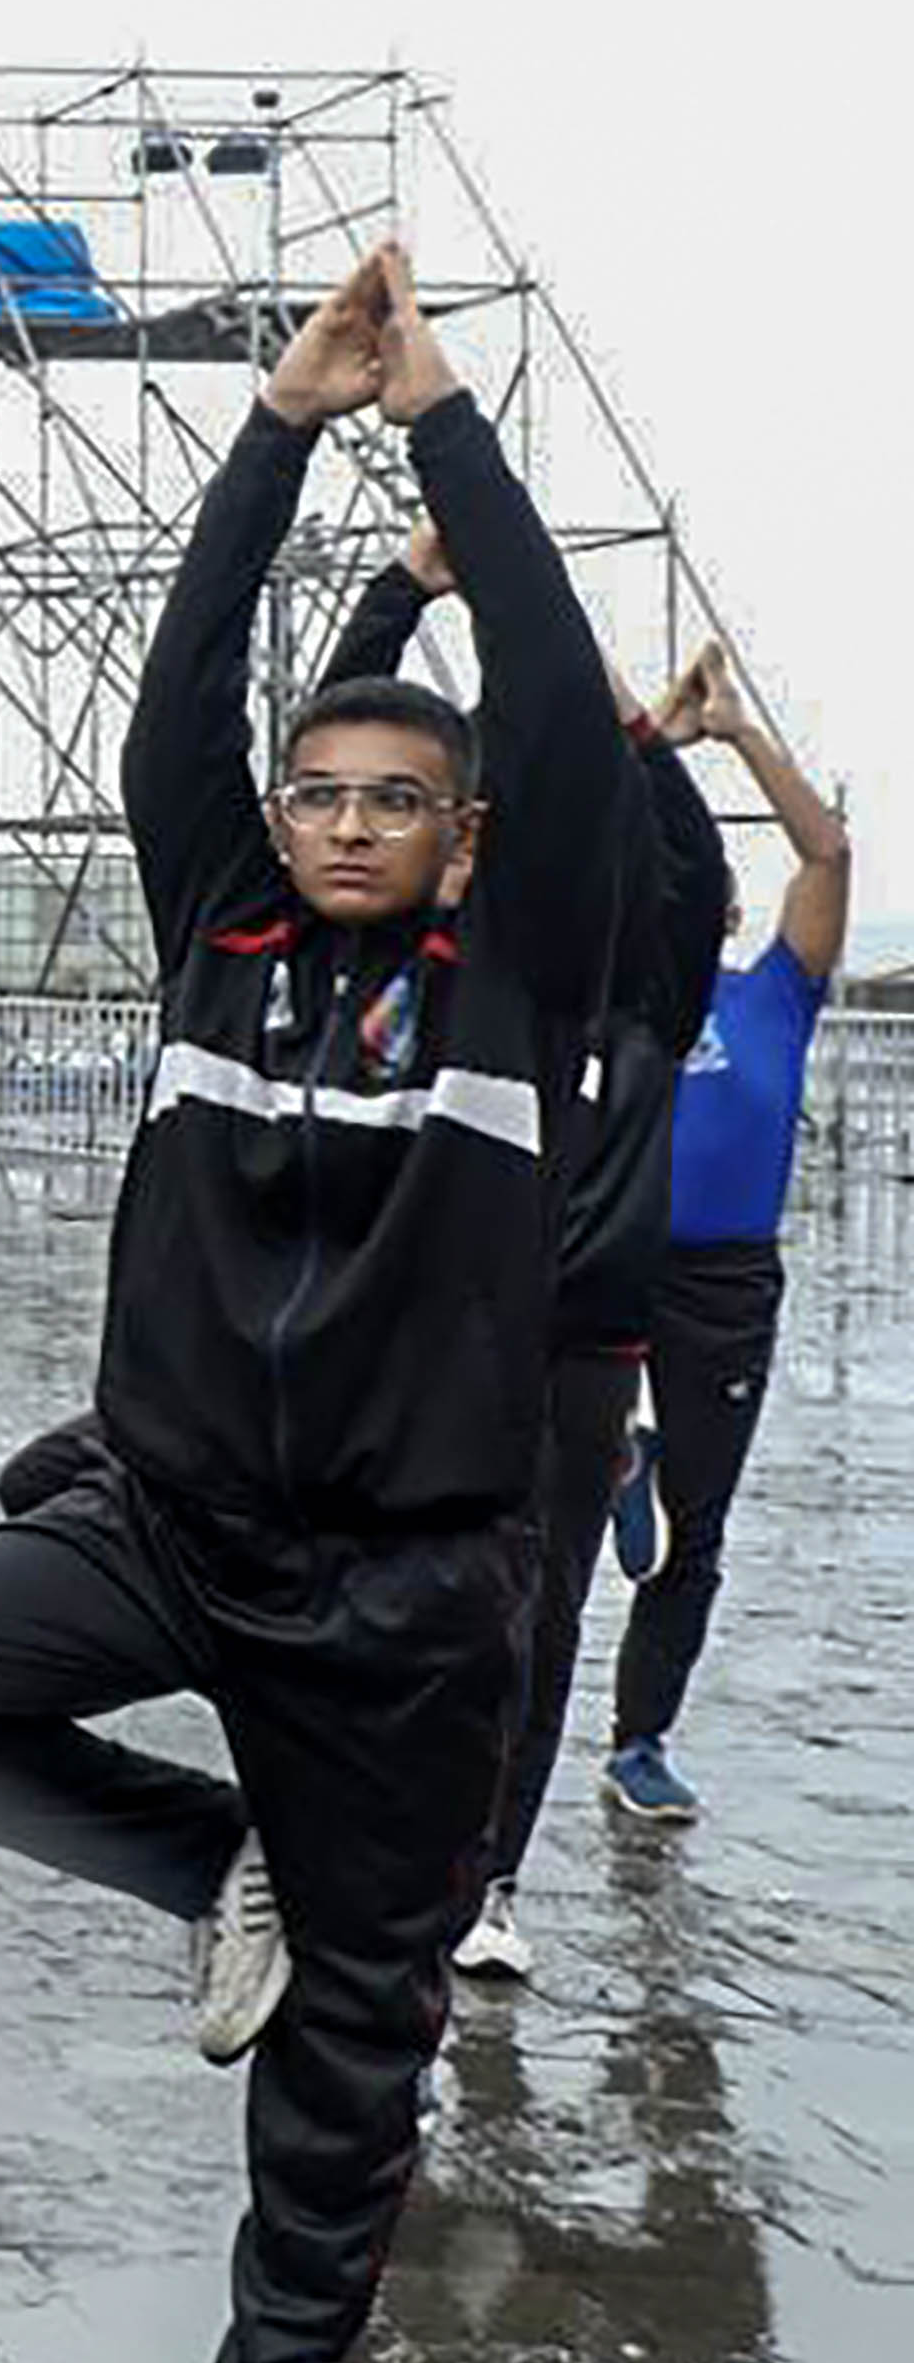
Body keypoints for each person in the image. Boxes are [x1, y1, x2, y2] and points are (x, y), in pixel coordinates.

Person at [0, 247, 624, 2363]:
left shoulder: (509, 968)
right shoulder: (210, 933)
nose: (344, 820)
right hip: (162, 1509)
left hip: (399, 1568)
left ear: (453, 835)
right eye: (314, 790)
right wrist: (271, 435)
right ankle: (208, 1865)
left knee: (360, 2016)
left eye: (390, 799)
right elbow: (180, 694)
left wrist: (439, 420)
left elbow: (548, 699)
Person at [305, 535, 724, 1989]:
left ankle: (483, 1880)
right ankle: (323, 1859)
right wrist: (410, 591)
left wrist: (623, 722)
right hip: (417, 1322)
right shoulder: (455, 971)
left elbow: (691, 856)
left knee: (527, 1625)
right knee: (356, 1594)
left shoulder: (650, 992)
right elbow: (333, 746)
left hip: (575, 1352)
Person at [609, 646, 851, 1826]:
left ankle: (639, 1741)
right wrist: (642, 725)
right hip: (603, 1256)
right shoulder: (610, 991)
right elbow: (582, 805)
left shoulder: (773, 997)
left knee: (695, 1531)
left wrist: (739, 735)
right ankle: (612, 1438)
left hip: (725, 1286)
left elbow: (828, 853)